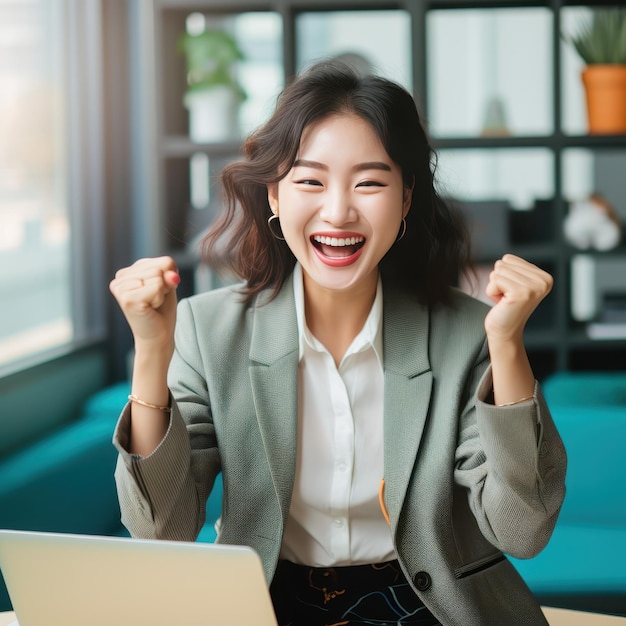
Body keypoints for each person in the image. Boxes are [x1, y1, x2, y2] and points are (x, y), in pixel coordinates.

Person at [110, 61, 567, 625]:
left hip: (428, 608)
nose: (338, 211)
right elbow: (163, 529)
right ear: (274, 196)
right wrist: (152, 352)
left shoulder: (468, 333)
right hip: (269, 607)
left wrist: (508, 346)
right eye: (310, 181)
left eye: (369, 182)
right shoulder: (207, 331)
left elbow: (523, 529)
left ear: (404, 200)